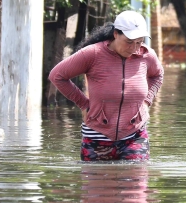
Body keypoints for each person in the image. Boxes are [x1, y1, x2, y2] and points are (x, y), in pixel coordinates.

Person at [49, 10, 163, 161]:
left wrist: (147, 102)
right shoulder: (93, 53)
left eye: (139, 42)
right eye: (129, 42)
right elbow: (57, 76)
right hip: (97, 135)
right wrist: (83, 104)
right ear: (115, 34)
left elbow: (157, 75)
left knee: (136, 174)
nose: (134, 48)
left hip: (135, 134)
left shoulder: (147, 56)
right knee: (97, 176)